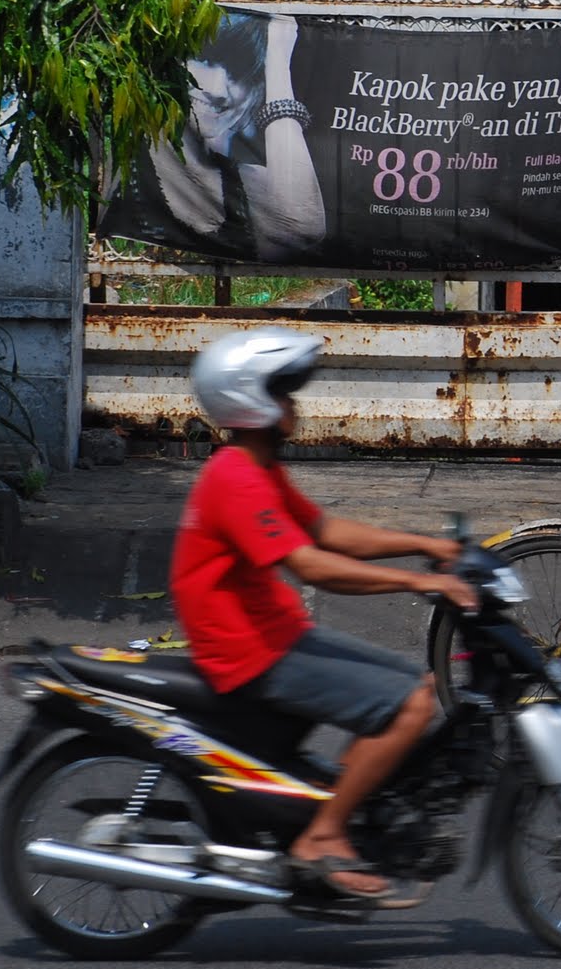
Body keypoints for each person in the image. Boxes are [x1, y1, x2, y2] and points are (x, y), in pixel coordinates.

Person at [169, 326, 475, 904]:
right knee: (412, 703)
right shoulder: (236, 476)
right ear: (253, 399)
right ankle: (324, 836)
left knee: (415, 685)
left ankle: (339, 809)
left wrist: (427, 545)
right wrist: (418, 579)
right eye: (284, 393)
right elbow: (312, 565)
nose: (294, 407)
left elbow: (329, 532)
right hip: (250, 652)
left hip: (274, 636)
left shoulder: (257, 468)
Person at [103, 11, 325, 262]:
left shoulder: (248, 185)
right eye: (204, 60)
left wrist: (276, 62)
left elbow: (301, 228)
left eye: (241, 73)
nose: (218, 89)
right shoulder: (126, 160)